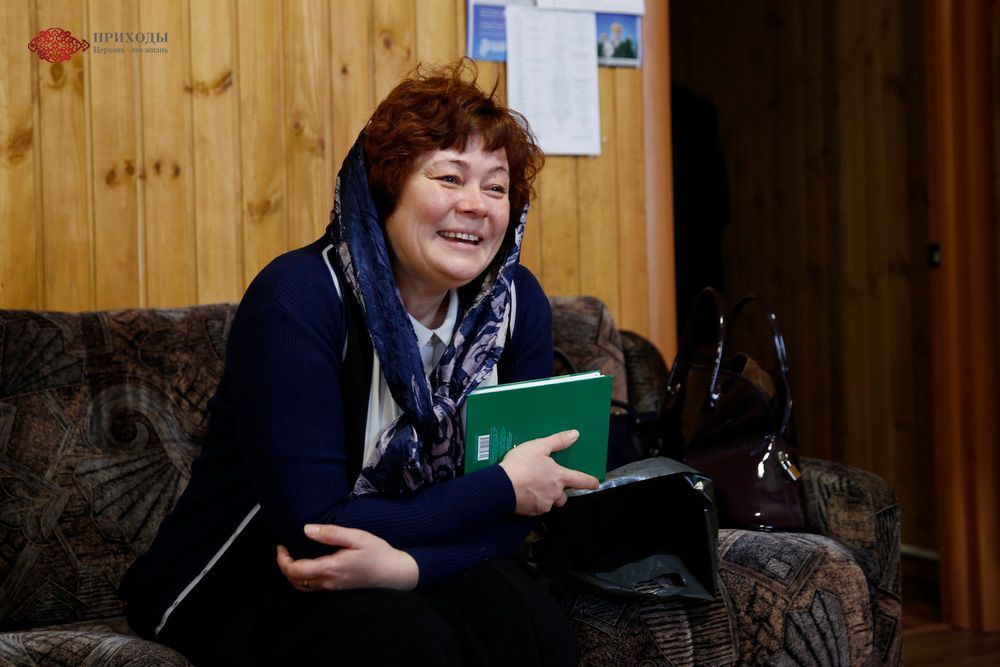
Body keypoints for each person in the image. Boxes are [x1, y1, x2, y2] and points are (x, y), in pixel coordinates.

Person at [119, 59, 599, 666]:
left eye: (496, 187)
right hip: (253, 579)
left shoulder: (515, 303)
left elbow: (531, 500)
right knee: (404, 640)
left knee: (529, 619)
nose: (476, 205)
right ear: (385, 188)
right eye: (449, 178)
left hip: (408, 557)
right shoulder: (297, 300)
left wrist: (409, 568)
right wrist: (501, 487)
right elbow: (315, 526)